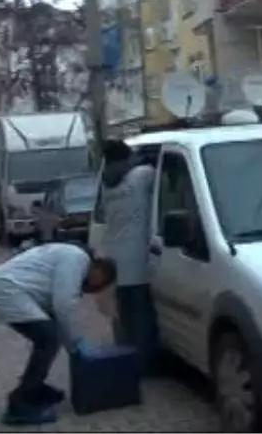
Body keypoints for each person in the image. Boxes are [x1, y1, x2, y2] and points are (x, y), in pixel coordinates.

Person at [0, 243, 118, 426]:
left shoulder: (70, 255)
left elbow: (56, 307)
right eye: (99, 285)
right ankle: (19, 405)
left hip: (4, 287)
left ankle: (34, 389)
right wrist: (75, 345)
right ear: (100, 272)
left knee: (47, 337)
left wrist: (72, 343)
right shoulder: (78, 259)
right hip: (7, 290)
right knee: (49, 339)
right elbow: (63, 304)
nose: (93, 290)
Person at [98, 140, 159, 372]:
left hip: (114, 259)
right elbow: (156, 169)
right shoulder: (142, 175)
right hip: (137, 260)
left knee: (123, 315)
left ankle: (126, 360)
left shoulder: (106, 184)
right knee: (142, 315)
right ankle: (145, 366)